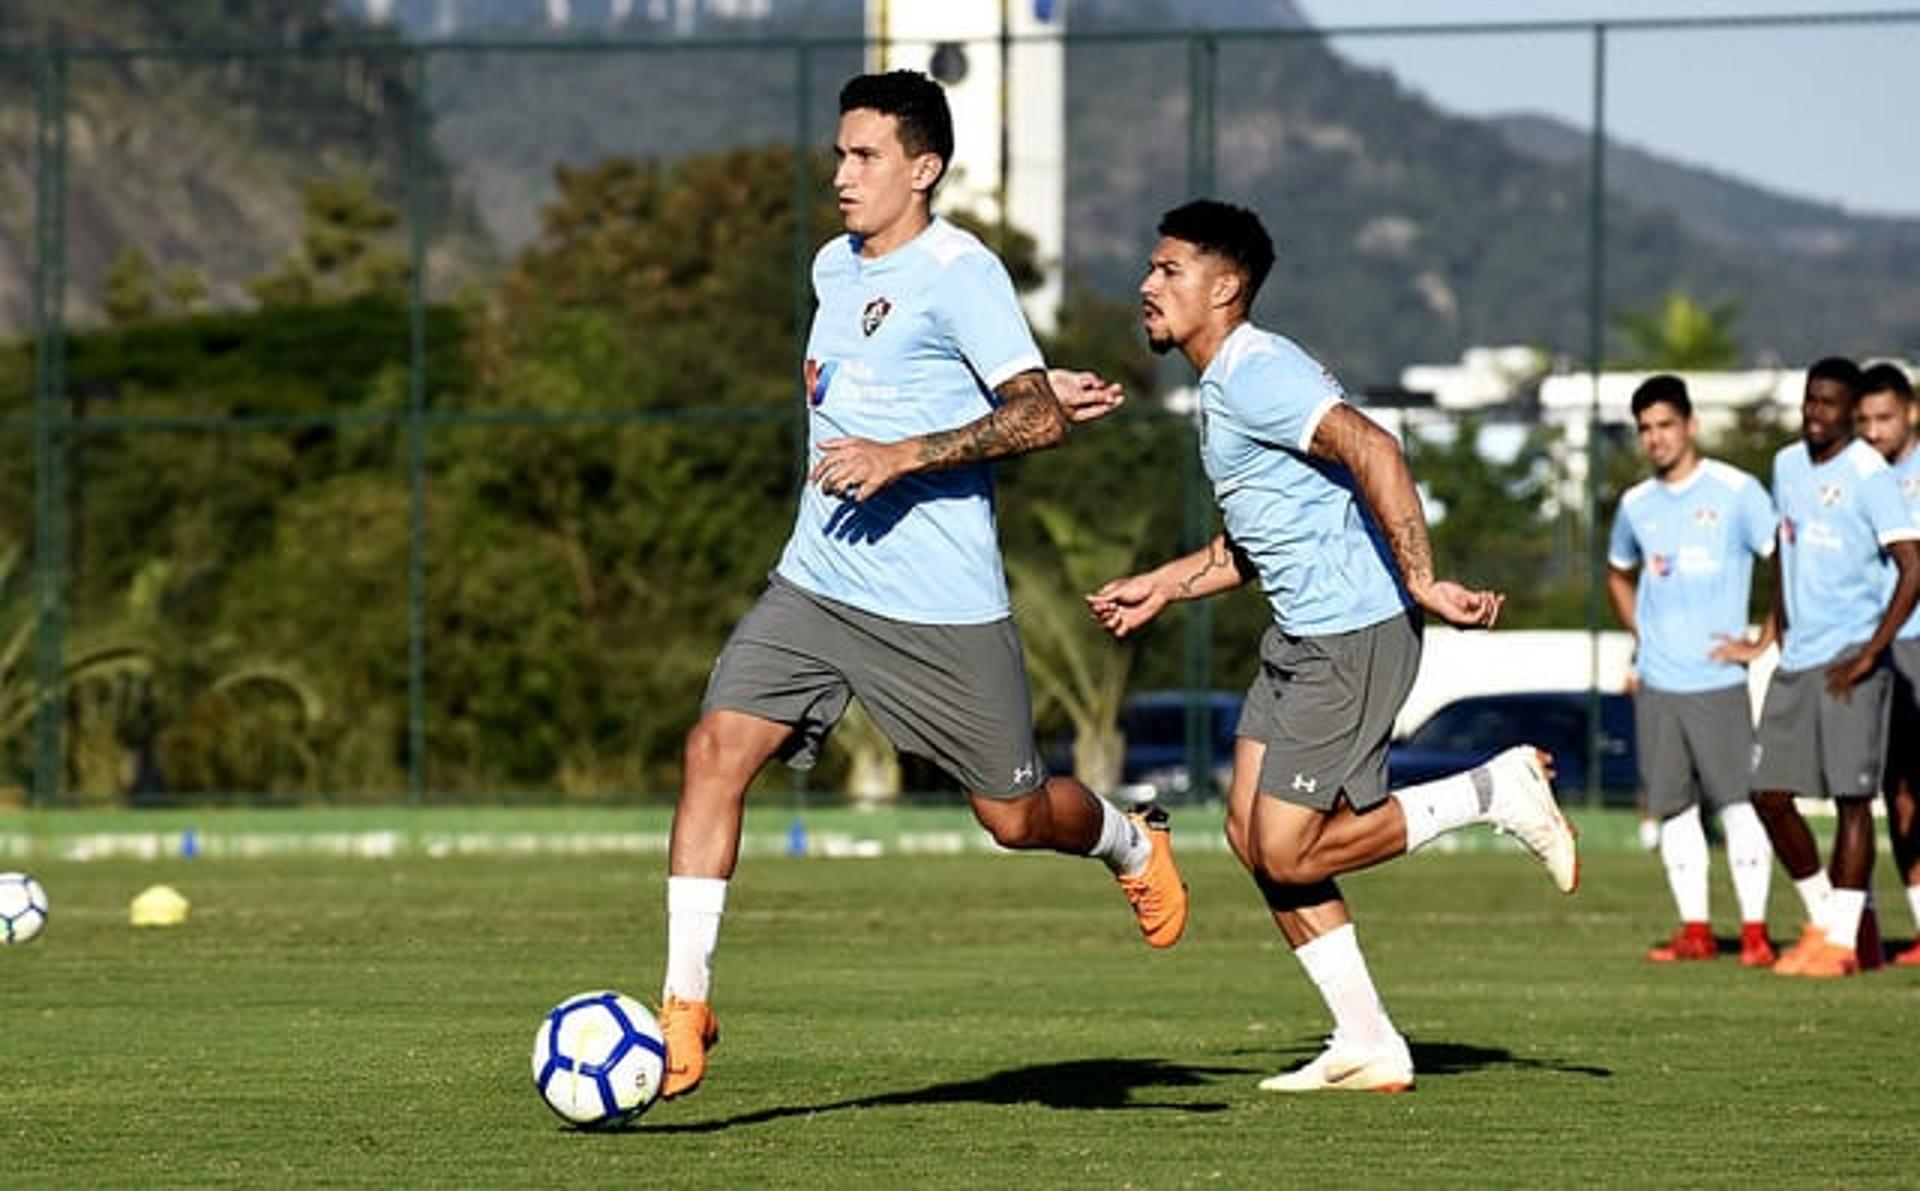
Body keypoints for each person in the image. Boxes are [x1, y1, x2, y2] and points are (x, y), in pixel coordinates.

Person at [652, 70, 1188, 1101]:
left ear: (923, 168)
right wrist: (992, 392)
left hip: (937, 606)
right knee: (715, 750)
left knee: (1014, 817)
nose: (841, 175)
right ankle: (685, 1002)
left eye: (864, 157)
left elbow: (1030, 417)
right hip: (816, 580)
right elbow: (930, 383)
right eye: (839, 154)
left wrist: (907, 452)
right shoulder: (830, 266)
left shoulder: (962, 270)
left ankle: (1127, 840)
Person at [1088, 199, 1577, 1094]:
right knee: (1249, 835)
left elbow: (1375, 448)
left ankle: (1492, 789)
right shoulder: (1226, 381)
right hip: (1303, 631)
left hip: (1353, 630)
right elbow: (1267, 534)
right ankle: (1367, 1039)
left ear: (1224, 286)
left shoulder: (1255, 369)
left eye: (1169, 270)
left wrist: (1423, 577)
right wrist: (1165, 582)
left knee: (1290, 848)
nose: (1147, 285)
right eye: (1151, 269)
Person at [1720, 357, 1920, 978]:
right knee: (1768, 795)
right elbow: (1787, 548)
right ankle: (1823, 920)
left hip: (1851, 658)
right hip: (1798, 657)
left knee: (1853, 798)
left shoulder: (1870, 472)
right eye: (1810, 400)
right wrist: (1771, 631)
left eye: (1829, 403)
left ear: (1849, 411)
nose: (1815, 413)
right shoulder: (1784, 465)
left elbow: (1913, 567)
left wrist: (1870, 652)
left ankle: (1840, 943)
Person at [1605, 375, 1779, 966]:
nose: (1655, 438)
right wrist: (1643, 636)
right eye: (1645, 429)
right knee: (1673, 808)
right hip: (1658, 683)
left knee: (1738, 803)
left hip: (1718, 682)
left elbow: (1784, 557)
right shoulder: (1635, 505)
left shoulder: (1737, 490)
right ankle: (1696, 931)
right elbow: (1617, 572)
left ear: (1691, 425)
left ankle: (1755, 932)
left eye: (1665, 425)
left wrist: (1763, 639)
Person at [1852, 360, 1920, 966]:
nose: (1874, 431)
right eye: (1864, 420)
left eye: (1884, 418)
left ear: (1911, 413)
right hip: (1877, 647)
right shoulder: (1854, 477)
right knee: (1893, 791)